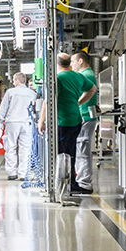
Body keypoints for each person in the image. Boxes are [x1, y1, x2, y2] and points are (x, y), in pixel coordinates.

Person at [39, 53, 97, 195]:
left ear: (55, 63)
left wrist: (41, 120)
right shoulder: (78, 76)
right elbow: (92, 89)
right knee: (71, 153)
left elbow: (48, 101)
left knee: (59, 154)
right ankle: (71, 184)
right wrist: (79, 102)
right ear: (69, 63)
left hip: (61, 121)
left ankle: (59, 184)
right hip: (76, 120)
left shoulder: (57, 78)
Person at [0, 72, 38, 180]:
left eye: (14, 80)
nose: (13, 82)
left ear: (17, 81)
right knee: (25, 149)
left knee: (10, 147)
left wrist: (0, 121)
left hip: (12, 123)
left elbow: (3, 107)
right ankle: (23, 174)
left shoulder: (10, 92)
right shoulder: (32, 93)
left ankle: (12, 173)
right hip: (27, 123)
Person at [71, 51, 99, 192]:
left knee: (82, 150)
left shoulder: (85, 75)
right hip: (86, 116)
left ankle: (84, 183)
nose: (71, 65)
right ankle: (82, 181)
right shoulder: (88, 74)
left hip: (85, 116)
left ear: (80, 61)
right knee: (82, 149)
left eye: (73, 61)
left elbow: (91, 91)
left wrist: (76, 103)